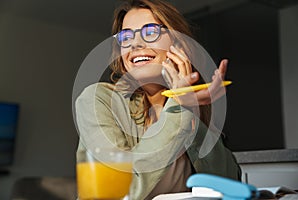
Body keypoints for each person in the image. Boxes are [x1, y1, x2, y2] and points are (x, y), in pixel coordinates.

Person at [75, 0, 241, 199]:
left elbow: (231, 183)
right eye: (126, 36)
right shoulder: (97, 100)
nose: (135, 44)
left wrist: (189, 108)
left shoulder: (188, 107)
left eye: (150, 32)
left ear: (178, 45)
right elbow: (119, 191)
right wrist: (180, 106)